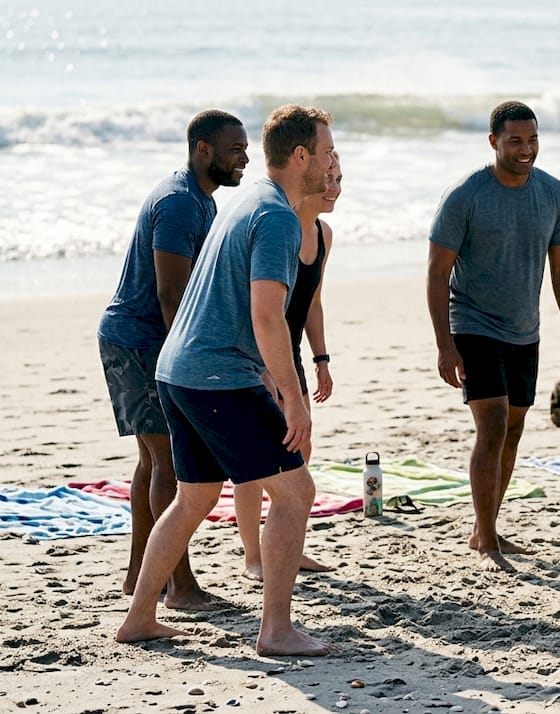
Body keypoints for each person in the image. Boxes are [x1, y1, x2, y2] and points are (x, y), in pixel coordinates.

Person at [116, 104, 339, 657]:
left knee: (193, 497)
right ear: (301, 155)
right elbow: (267, 316)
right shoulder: (278, 218)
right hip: (216, 375)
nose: (333, 162)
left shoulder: (249, 200)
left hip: (177, 370)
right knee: (296, 492)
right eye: (327, 152)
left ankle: (139, 618)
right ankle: (276, 630)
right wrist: (293, 399)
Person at [97, 109, 248, 610]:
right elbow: (171, 293)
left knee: (152, 458)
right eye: (235, 149)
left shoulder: (201, 199)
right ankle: (180, 586)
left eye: (246, 149)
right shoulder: (181, 203)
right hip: (142, 341)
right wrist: (187, 358)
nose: (244, 158)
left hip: (137, 339)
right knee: (170, 462)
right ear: (203, 149)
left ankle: (139, 576)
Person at [427, 100, 560, 573]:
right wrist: (444, 343)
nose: (526, 149)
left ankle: (485, 527)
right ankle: (487, 540)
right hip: (473, 323)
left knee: (513, 430)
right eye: (515, 141)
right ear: (493, 141)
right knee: (492, 425)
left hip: (523, 330)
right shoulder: (466, 195)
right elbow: (437, 272)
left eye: (532, 139)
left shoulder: (552, 192)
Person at [234, 154, 343, 580]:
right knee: (253, 465)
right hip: (257, 358)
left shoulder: (324, 235)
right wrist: (265, 374)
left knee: (300, 454)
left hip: (290, 354)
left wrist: (322, 360)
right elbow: (259, 310)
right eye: (329, 178)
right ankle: (253, 557)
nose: (334, 188)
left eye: (339, 179)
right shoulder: (279, 228)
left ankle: (288, 549)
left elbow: (313, 303)